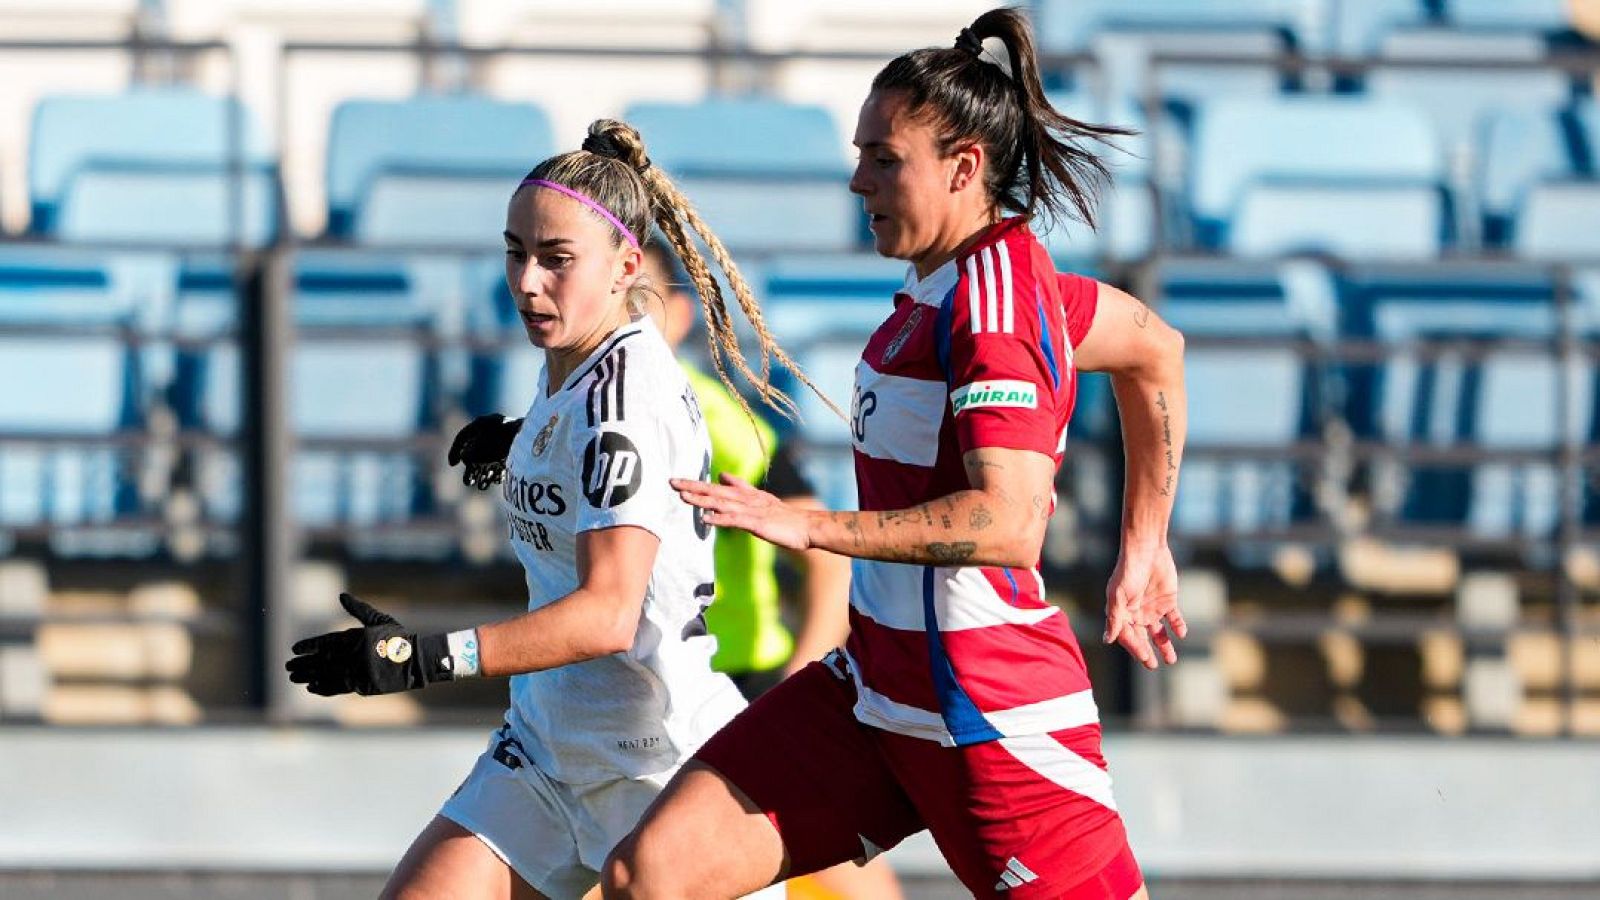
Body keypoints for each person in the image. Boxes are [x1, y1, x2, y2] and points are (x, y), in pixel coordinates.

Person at [601, 9, 1188, 900]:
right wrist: (1146, 544)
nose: (856, 180)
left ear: (964, 169)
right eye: (859, 153)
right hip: (874, 691)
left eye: (885, 160)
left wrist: (815, 527)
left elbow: (1009, 522)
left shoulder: (990, 308)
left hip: (989, 715)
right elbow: (1157, 350)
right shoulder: (971, 283)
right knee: (652, 873)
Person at [285, 118, 819, 900]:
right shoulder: (576, 360)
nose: (528, 281)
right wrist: (527, 437)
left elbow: (607, 615)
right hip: (545, 751)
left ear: (625, 265)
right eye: (515, 252)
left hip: (654, 764)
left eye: (556, 260)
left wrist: (425, 657)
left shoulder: (621, 401)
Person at [640, 245, 904, 900]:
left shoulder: (714, 419)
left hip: (733, 683)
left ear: (680, 315)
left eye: (643, 301)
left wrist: (805, 668)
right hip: (632, 686)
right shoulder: (572, 418)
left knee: (834, 871)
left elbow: (824, 549)